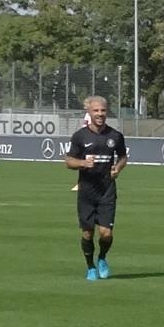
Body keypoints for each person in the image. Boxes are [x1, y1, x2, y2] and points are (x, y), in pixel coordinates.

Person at [64, 96, 128, 281]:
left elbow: (123, 157)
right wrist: (82, 163)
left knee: (106, 233)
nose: (100, 114)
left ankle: (102, 258)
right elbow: (68, 161)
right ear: (89, 112)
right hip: (87, 191)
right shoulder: (80, 136)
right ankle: (90, 266)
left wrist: (118, 168)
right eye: (96, 111)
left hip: (107, 190)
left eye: (103, 110)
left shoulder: (115, 136)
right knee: (87, 232)